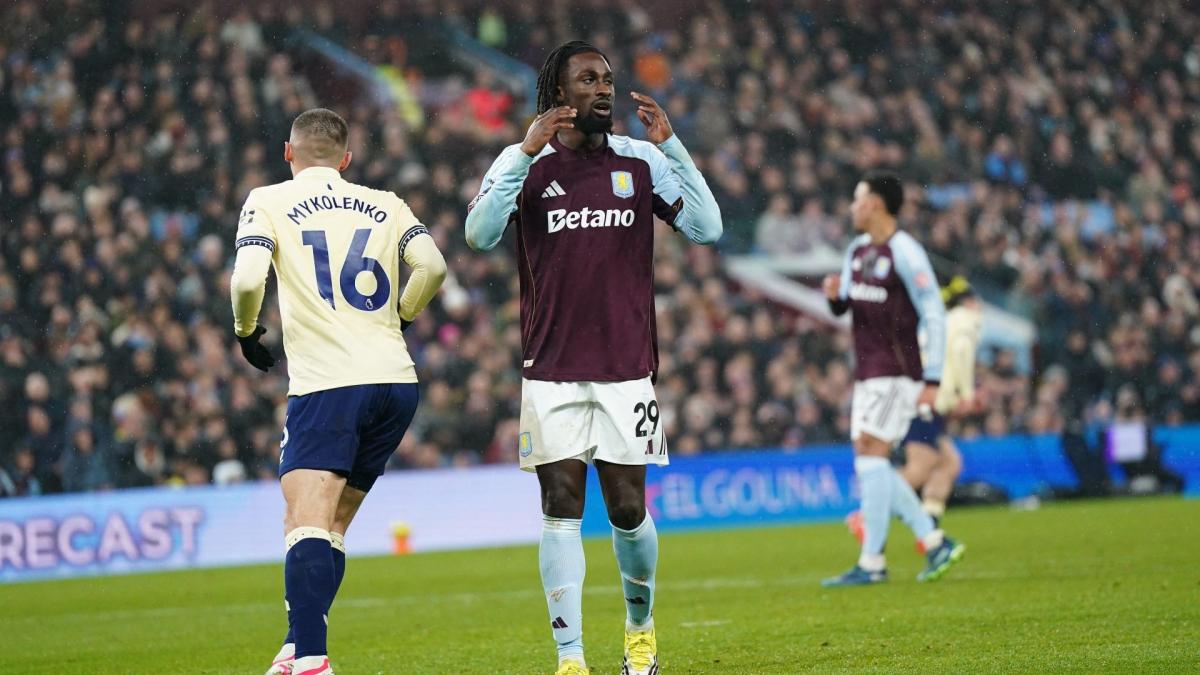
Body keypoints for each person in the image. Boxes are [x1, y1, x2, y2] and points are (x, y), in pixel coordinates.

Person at [465, 40, 722, 675]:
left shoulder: (640, 160)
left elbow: (707, 227)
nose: (603, 89)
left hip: (625, 368)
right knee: (559, 505)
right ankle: (571, 658)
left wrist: (673, 147)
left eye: (607, 79)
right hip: (550, 370)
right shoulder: (525, 164)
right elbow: (478, 234)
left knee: (628, 510)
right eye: (588, 80)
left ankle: (640, 629)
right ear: (559, 94)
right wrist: (523, 153)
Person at [230, 108, 447, 675]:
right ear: (346, 159)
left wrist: (246, 331)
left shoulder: (268, 200)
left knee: (304, 520)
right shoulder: (387, 203)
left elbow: (249, 277)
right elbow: (432, 267)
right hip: (395, 383)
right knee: (330, 526)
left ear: (288, 152)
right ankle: (295, 646)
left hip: (329, 384)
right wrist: (401, 315)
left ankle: (312, 660)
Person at [820, 171, 965, 587]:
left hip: (897, 372)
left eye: (857, 199)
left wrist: (933, 378)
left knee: (870, 452)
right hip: (869, 372)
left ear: (875, 204)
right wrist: (835, 298)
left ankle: (875, 561)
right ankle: (930, 542)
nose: (852, 208)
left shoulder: (906, 252)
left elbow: (934, 313)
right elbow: (847, 303)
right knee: (872, 458)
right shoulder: (857, 251)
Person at [845, 276, 983, 550]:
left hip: (920, 398)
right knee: (922, 465)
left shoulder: (937, 323)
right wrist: (967, 394)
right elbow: (962, 350)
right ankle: (866, 516)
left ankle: (928, 527)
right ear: (968, 302)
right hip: (925, 400)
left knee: (949, 463)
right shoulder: (965, 320)